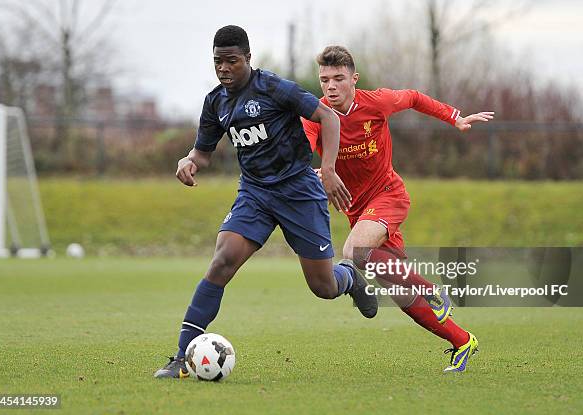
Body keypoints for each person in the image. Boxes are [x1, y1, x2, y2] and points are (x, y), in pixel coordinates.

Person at [155, 28, 377, 379]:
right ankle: (182, 356)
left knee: (322, 287)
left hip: (299, 191)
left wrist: (330, 169)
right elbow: (203, 151)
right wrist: (189, 160)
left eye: (232, 61)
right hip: (255, 194)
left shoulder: (273, 87)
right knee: (222, 261)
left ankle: (349, 278)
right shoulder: (216, 102)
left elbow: (329, 117)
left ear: (247, 58)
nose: (224, 68)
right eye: (218, 62)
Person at [302, 46, 494, 373]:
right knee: (401, 294)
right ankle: (462, 341)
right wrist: (312, 173)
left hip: (388, 195)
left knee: (354, 250)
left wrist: (454, 117)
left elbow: (415, 97)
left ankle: (431, 290)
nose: (330, 86)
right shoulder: (316, 115)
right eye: (324, 80)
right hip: (358, 211)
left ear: (354, 79)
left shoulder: (376, 102)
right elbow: (300, 152)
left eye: (338, 78)